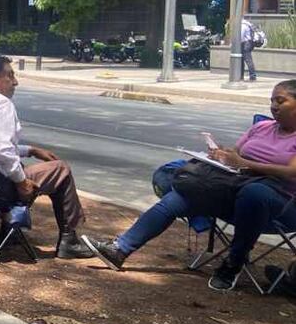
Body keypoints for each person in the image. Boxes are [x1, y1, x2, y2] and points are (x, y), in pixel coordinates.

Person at [83, 80, 296, 290]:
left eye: (280, 101)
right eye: (271, 101)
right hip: (236, 188)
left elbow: (292, 172)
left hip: (280, 204)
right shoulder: (262, 127)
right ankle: (120, 249)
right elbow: (236, 155)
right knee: (185, 190)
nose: (273, 106)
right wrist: (221, 155)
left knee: (254, 193)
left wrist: (245, 164)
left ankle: (234, 263)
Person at [0, 55, 93, 259]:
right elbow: (2, 151)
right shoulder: (1, 103)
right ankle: (69, 240)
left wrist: (30, 150)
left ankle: (9, 231)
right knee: (61, 169)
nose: (15, 82)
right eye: (10, 76)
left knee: (19, 164)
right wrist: (21, 181)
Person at [241, 17, 260, 82]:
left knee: (247, 60)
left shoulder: (243, 25)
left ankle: (252, 76)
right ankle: (241, 75)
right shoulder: (248, 24)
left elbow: (241, 36)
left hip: (245, 43)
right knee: (243, 60)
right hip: (249, 43)